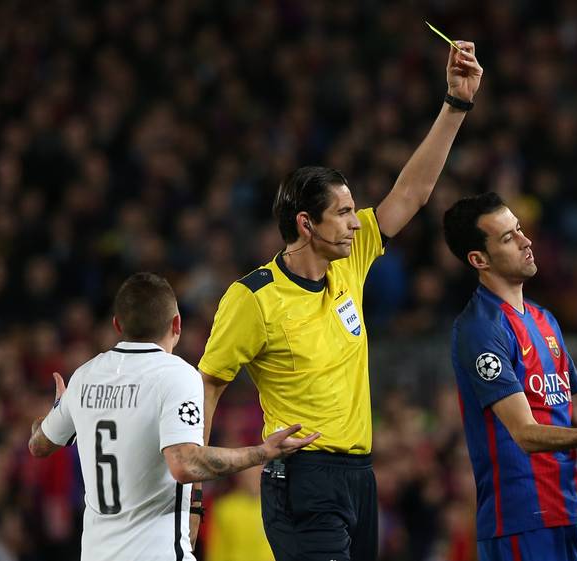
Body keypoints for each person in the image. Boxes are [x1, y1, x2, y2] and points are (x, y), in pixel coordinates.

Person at [196, 42, 483, 561]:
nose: (357, 221)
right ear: (306, 224)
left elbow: (412, 192)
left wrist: (455, 104)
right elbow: (209, 385)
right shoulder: (252, 297)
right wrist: (194, 482)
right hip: (301, 478)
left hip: (360, 476)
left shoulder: (349, 261)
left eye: (356, 211)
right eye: (344, 212)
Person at [28, 272, 318, 561]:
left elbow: (38, 445)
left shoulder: (84, 377)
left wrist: (58, 411)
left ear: (117, 324)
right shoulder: (176, 375)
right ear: (176, 324)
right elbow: (184, 463)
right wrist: (262, 452)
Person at [441, 192, 577, 561]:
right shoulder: (481, 329)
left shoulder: (545, 320)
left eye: (519, 230)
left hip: (572, 511)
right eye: (508, 238)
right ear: (478, 259)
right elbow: (526, 434)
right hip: (520, 521)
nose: (526, 241)